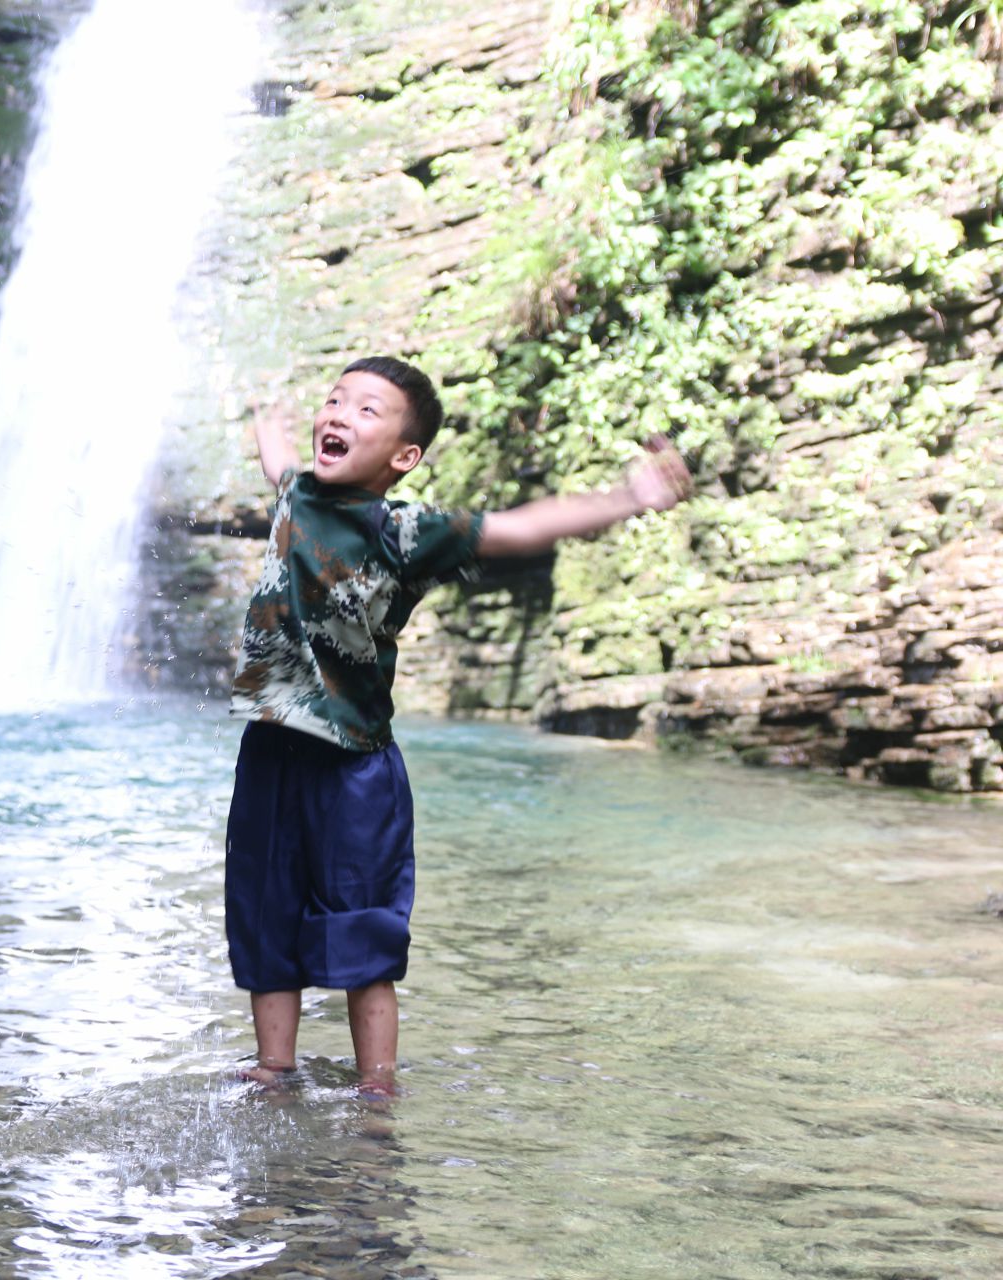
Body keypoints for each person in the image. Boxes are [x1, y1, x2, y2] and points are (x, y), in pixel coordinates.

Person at [225, 354, 692, 1096]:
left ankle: (377, 1085)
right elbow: (279, 463)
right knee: (262, 907)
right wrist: (268, 429)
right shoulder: (297, 491)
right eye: (334, 401)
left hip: (353, 765)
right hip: (271, 749)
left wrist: (629, 497)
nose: (339, 415)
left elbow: (519, 529)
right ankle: (275, 1064)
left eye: (366, 411)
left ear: (404, 457)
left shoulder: (404, 531)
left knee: (364, 923)